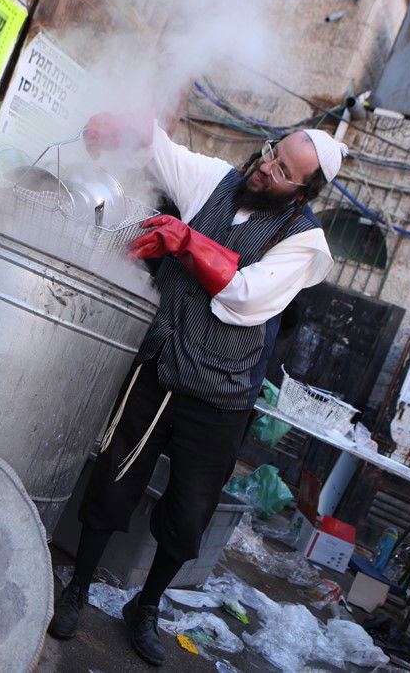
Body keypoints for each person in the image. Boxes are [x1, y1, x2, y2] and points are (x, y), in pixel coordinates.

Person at [46, 112, 344, 666]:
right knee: (113, 479)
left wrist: (186, 240)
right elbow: (160, 149)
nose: (266, 168)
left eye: (283, 172)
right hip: (158, 365)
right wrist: (129, 124)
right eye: (272, 153)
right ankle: (77, 588)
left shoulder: (304, 242)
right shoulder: (214, 180)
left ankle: (145, 608)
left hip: (220, 393)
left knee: (188, 515)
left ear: (305, 192)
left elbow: (245, 295)